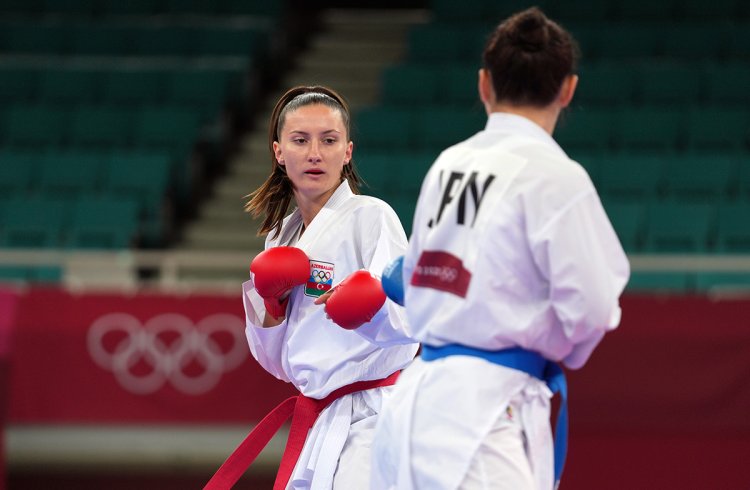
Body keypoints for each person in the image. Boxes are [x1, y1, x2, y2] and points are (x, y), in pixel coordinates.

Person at [371, 7, 630, 490]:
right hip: (481, 420)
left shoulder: (449, 163)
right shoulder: (556, 176)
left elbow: (419, 273)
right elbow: (593, 309)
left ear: (484, 85)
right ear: (568, 89)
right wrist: (558, 351)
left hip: (411, 405)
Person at [204, 86, 418, 490]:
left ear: (348, 151)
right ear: (279, 151)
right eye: (300, 140)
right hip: (320, 418)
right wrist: (272, 304)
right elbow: (278, 365)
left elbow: (412, 321)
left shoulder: (372, 217)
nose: (315, 153)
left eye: (329, 140)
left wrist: (369, 311)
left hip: (376, 416)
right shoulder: (280, 236)